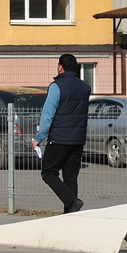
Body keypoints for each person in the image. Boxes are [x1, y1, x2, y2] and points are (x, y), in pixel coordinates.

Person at [32, 53, 90, 213]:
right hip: (77, 139)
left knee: (48, 173)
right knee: (71, 177)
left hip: (59, 138)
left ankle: (72, 202)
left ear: (60, 67)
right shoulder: (85, 87)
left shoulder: (56, 86)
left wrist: (39, 138)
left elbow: (48, 114)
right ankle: (71, 214)